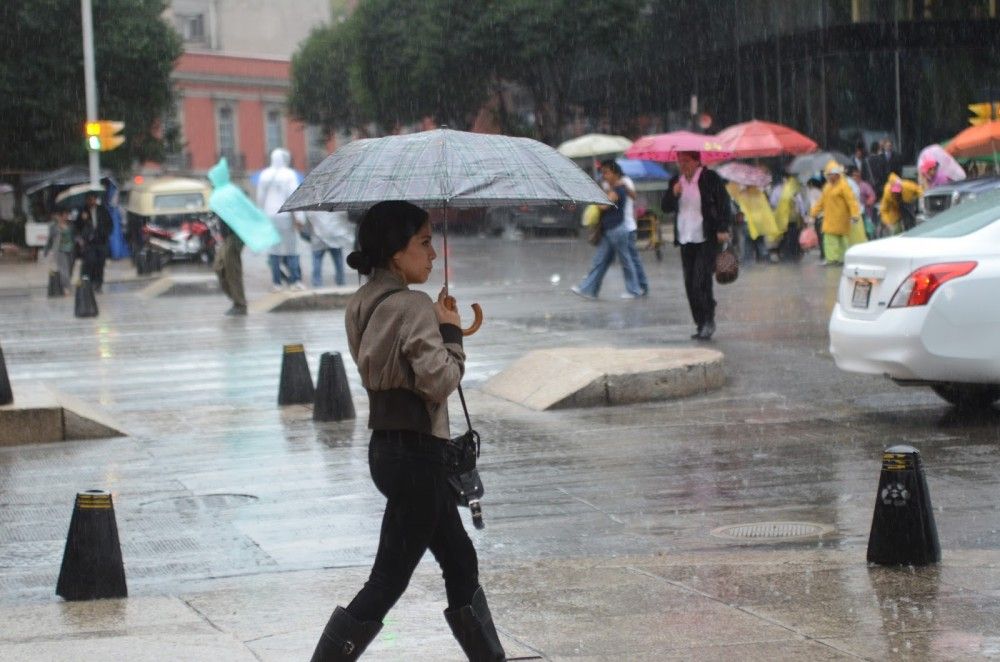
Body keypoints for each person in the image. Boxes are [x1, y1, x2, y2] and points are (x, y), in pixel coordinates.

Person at [308, 200, 504, 662]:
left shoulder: (362, 302)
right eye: (423, 242)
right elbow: (439, 379)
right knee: (388, 579)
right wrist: (451, 334)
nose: (433, 254)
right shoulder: (413, 305)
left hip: (388, 449)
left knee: (459, 559)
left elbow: (390, 364)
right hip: (417, 454)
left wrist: (438, 326)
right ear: (396, 253)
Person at [660, 150, 732, 340]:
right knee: (690, 283)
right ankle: (700, 322)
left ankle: (708, 320)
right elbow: (665, 207)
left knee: (701, 280)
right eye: (679, 161)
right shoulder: (676, 181)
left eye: (686, 161)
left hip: (706, 238)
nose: (682, 165)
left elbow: (724, 203)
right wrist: (673, 193)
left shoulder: (710, 178)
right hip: (686, 238)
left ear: (696, 161)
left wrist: (723, 227)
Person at [571, 161, 643, 300]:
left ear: (615, 173)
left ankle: (634, 290)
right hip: (610, 230)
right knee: (600, 261)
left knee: (625, 260)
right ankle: (589, 289)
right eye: (603, 172)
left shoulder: (618, 189)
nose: (604, 176)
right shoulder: (612, 188)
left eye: (607, 172)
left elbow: (604, 206)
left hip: (617, 229)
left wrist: (595, 199)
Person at [257, 148, 305, 292]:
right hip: (285, 216)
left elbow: (260, 198)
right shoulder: (289, 174)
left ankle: (276, 283)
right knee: (292, 249)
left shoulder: (264, 175)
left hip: (270, 216)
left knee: (274, 251)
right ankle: (294, 280)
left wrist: (261, 215)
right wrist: (299, 217)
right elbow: (293, 196)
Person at [607, 160, 649, 296]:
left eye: (608, 172)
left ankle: (638, 287)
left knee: (630, 259)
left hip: (627, 225)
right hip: (623, 225)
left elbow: (634, 196)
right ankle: (641, 286)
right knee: (631, 258)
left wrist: (623, 186)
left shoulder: (625, 181)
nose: (606, 175)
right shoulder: (613, 184)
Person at [808, 161, 860, 265]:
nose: (828, 177)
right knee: (829, 240)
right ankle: (832, 260)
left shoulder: (843, 186)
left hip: (842, 220)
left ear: (836, 174)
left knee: (842, 241)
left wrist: (855, 214)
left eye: (830, 175)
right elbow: (821, 202)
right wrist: (812, 213)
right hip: (829, 220)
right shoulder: (827, 187)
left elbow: (851, 201)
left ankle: (841, 260)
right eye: (827, 175)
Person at [74, 189, 113, 292]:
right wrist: (84, 220)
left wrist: (105, 234)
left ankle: (98, 283)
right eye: (89, 200)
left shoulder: (102, 210)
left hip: (101, 241)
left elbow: (109, 224)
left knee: (100, 263)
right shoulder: (83, 211)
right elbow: (77, 227)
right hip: (89, 243)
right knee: (90, 262)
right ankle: (89, 282)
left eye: (93, 199)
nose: (91, 201)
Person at [305, 209, 354, 287]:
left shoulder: (313, 206)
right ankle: (340, 281)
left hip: (318, 237)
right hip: (334, 236)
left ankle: (317, 283)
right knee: (338, 261)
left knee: (317, 260)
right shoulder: (334, 205)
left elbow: (309, 219)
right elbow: (343, 217)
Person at [213, 219, 246, 316]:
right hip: (226, 238)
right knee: (218, 267)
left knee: (232, 272)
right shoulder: (224, 205)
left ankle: (240, 304)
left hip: (234, 237)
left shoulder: (234, 205)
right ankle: (236, 299)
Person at [45, 209, 76, 292]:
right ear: (60, 216)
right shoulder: (54, 227)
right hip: (60, 250)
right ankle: (67, 287)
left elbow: (74, 236)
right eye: (64, 215)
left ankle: (66, 284)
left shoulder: (71, 225)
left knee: (70, 269)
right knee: (63, 269)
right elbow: (50, 240)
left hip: (71, 250)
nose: (66, 216)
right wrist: (46, 250)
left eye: (67, 214)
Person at [846, 166, 877, 239]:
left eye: (857, 175)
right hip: (853, 213)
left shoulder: (864, 185)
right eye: (854, 175)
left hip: (865, 212)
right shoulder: (849, 185)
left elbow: (872, 196)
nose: (856, 177)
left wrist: (867, 203)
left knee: (868, 232)